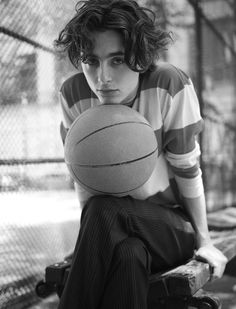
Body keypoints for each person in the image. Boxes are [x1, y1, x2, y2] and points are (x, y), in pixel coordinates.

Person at [55, 0, 227, 308]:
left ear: (139, 56)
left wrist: (204, 239)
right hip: (112, 225)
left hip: (173, 227)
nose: (102, 77)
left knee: (104, 211)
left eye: (117, 60)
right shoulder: (73, 94)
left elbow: (188, 168)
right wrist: (91, 243)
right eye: (91, 60)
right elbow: (85, 176)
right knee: (128, 254)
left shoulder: (169, 84)